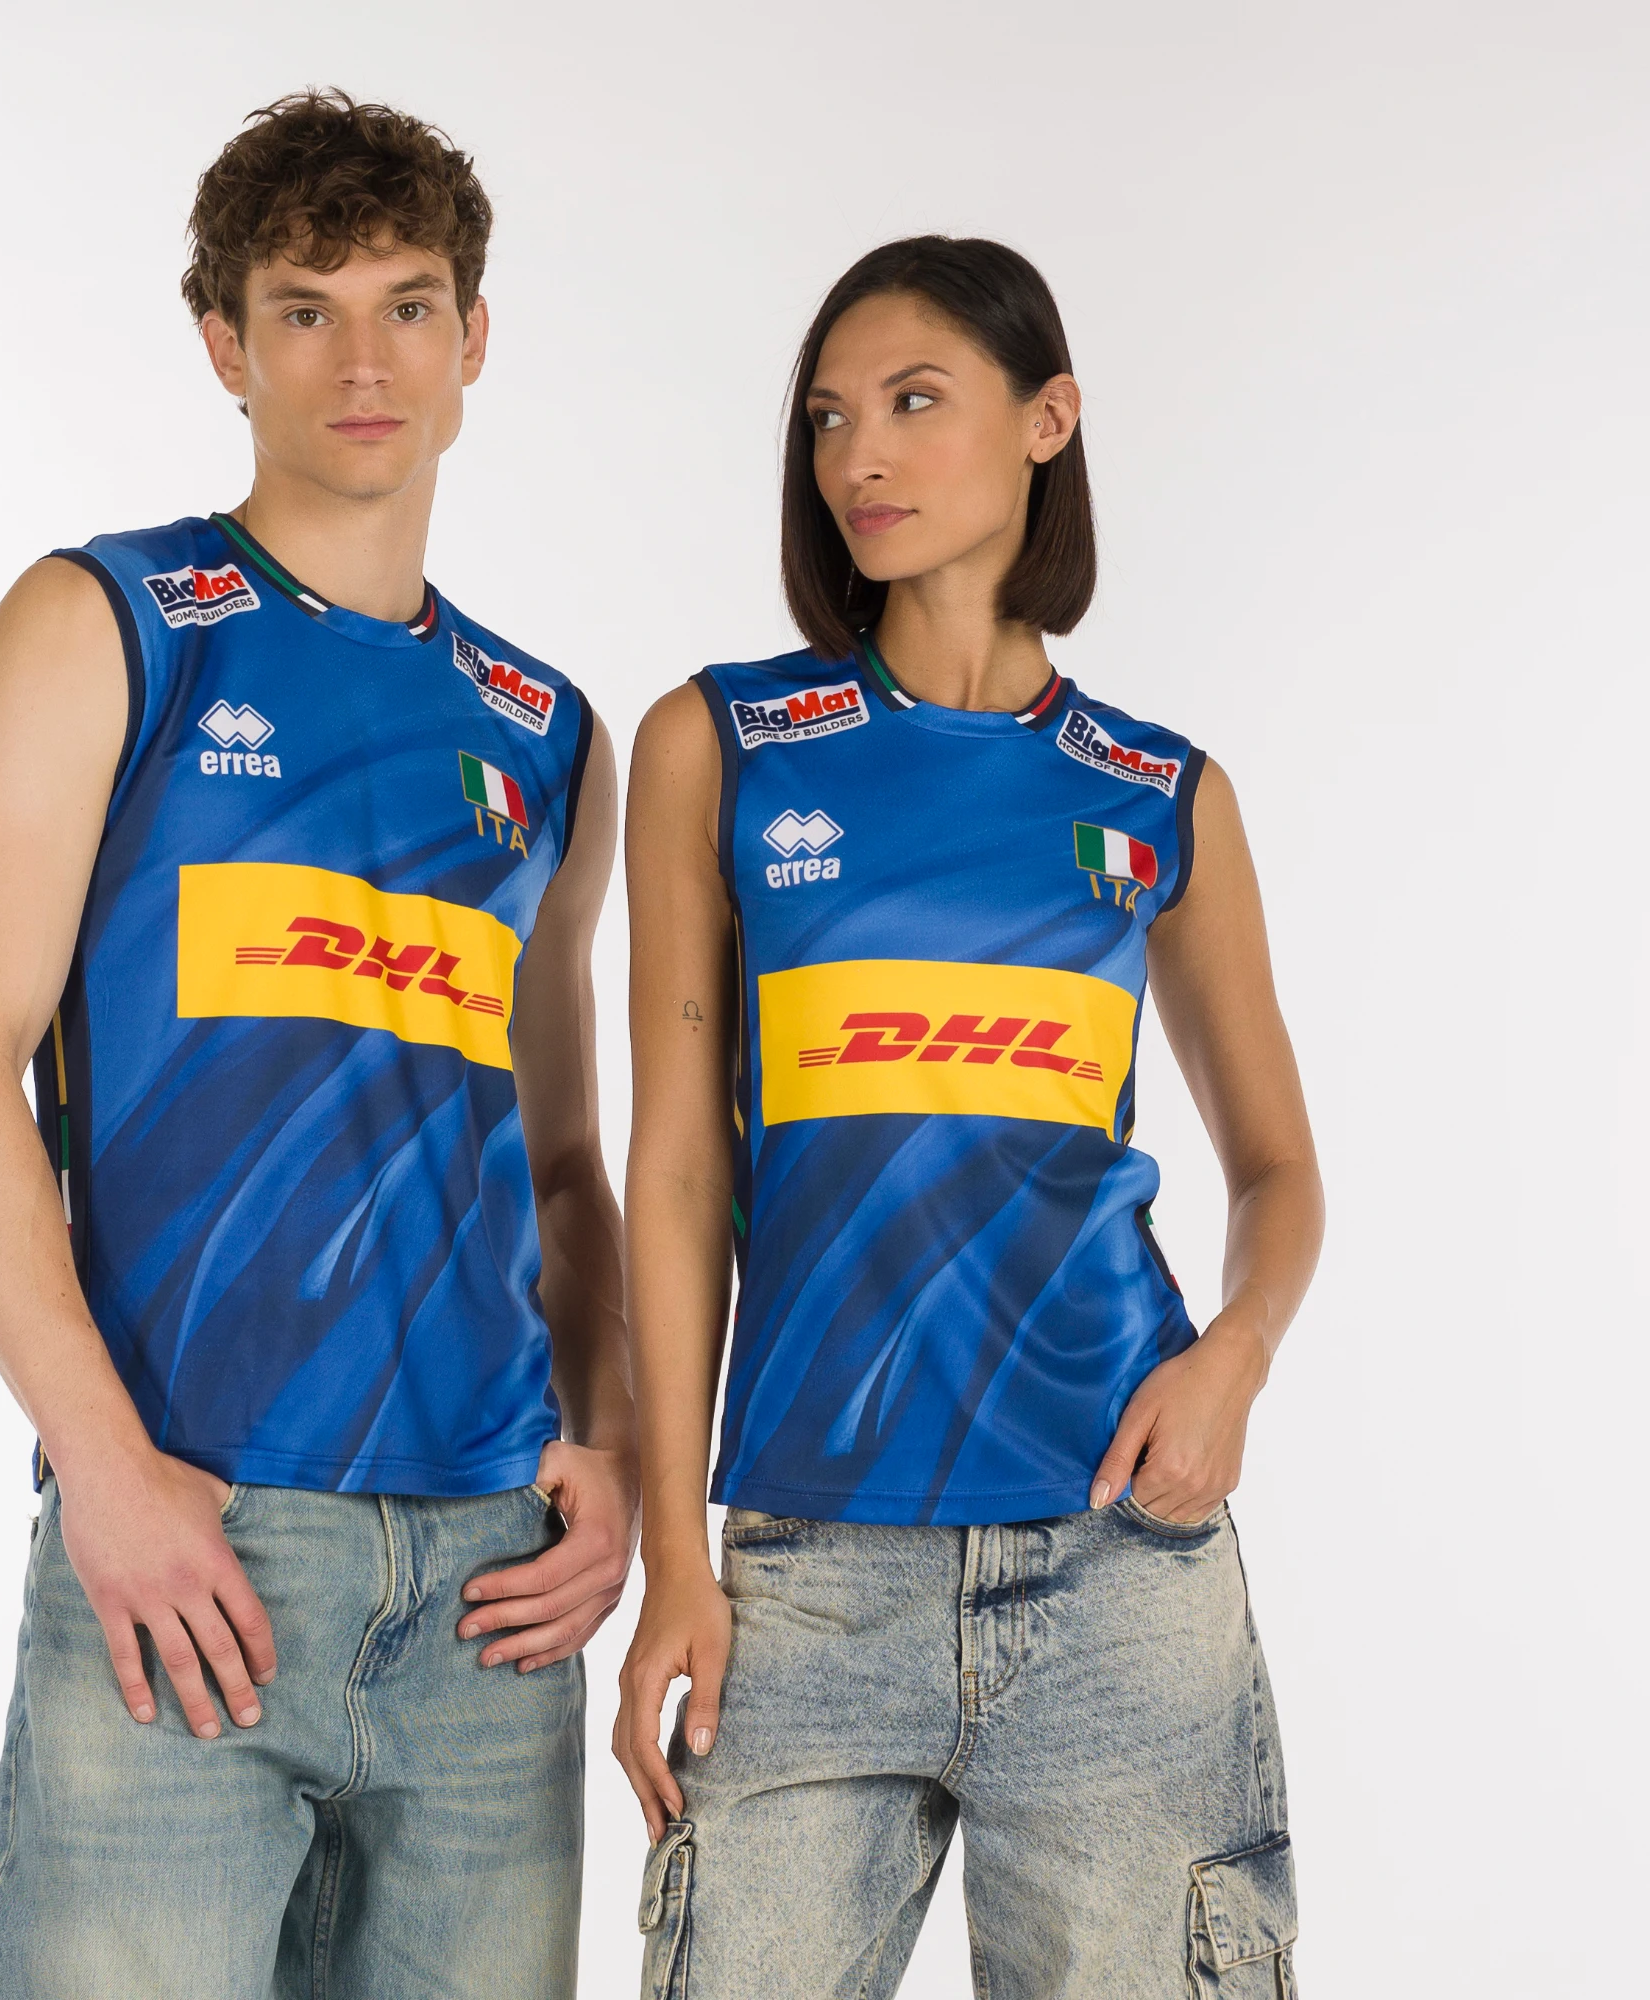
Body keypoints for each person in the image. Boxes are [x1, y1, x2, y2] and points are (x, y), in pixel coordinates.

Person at [0, 91, 635, 2000]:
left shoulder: (546, 728)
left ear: (475, 339)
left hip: (491, 1590)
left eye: (408, 307)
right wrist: (104, 1468)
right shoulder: (115, 622)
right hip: (196, 1532)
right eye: (307, 310)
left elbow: (563, 1163)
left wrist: (613, 1446)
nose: (364, 361)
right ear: (227, 345)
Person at [614, 236, 1322, 1999]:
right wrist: (673, 1549)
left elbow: (1280, 1167)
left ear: (1047, 419)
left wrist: (1232, 1359)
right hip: (804, 1571)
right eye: (829, 418)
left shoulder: (1158, 793)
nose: (859, 455)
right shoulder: (723, 745)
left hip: (1117, 1554)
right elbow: (679, 1171)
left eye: (915, 402)